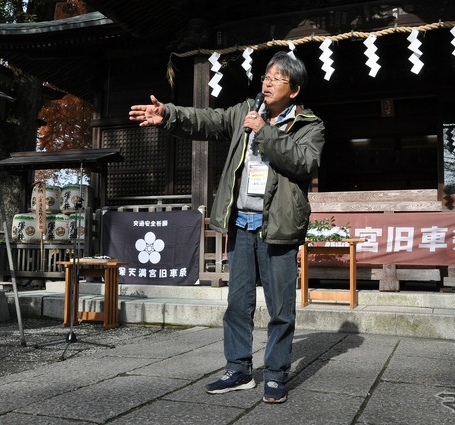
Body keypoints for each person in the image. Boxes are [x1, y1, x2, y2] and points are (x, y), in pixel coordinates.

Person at [129, 51, 325, 404]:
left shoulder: (310, 124)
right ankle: (238, 369)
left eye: (277, 78)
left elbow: (304, 162)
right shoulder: (244, 111)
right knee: (238, 303)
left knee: (281, 307)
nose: (267, 82)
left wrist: (264, 133)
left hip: (277, 227)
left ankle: (277, 374)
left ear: (293, 90)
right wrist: (169, 114)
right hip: (242, 223)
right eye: (266, 75)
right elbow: (208, 120)